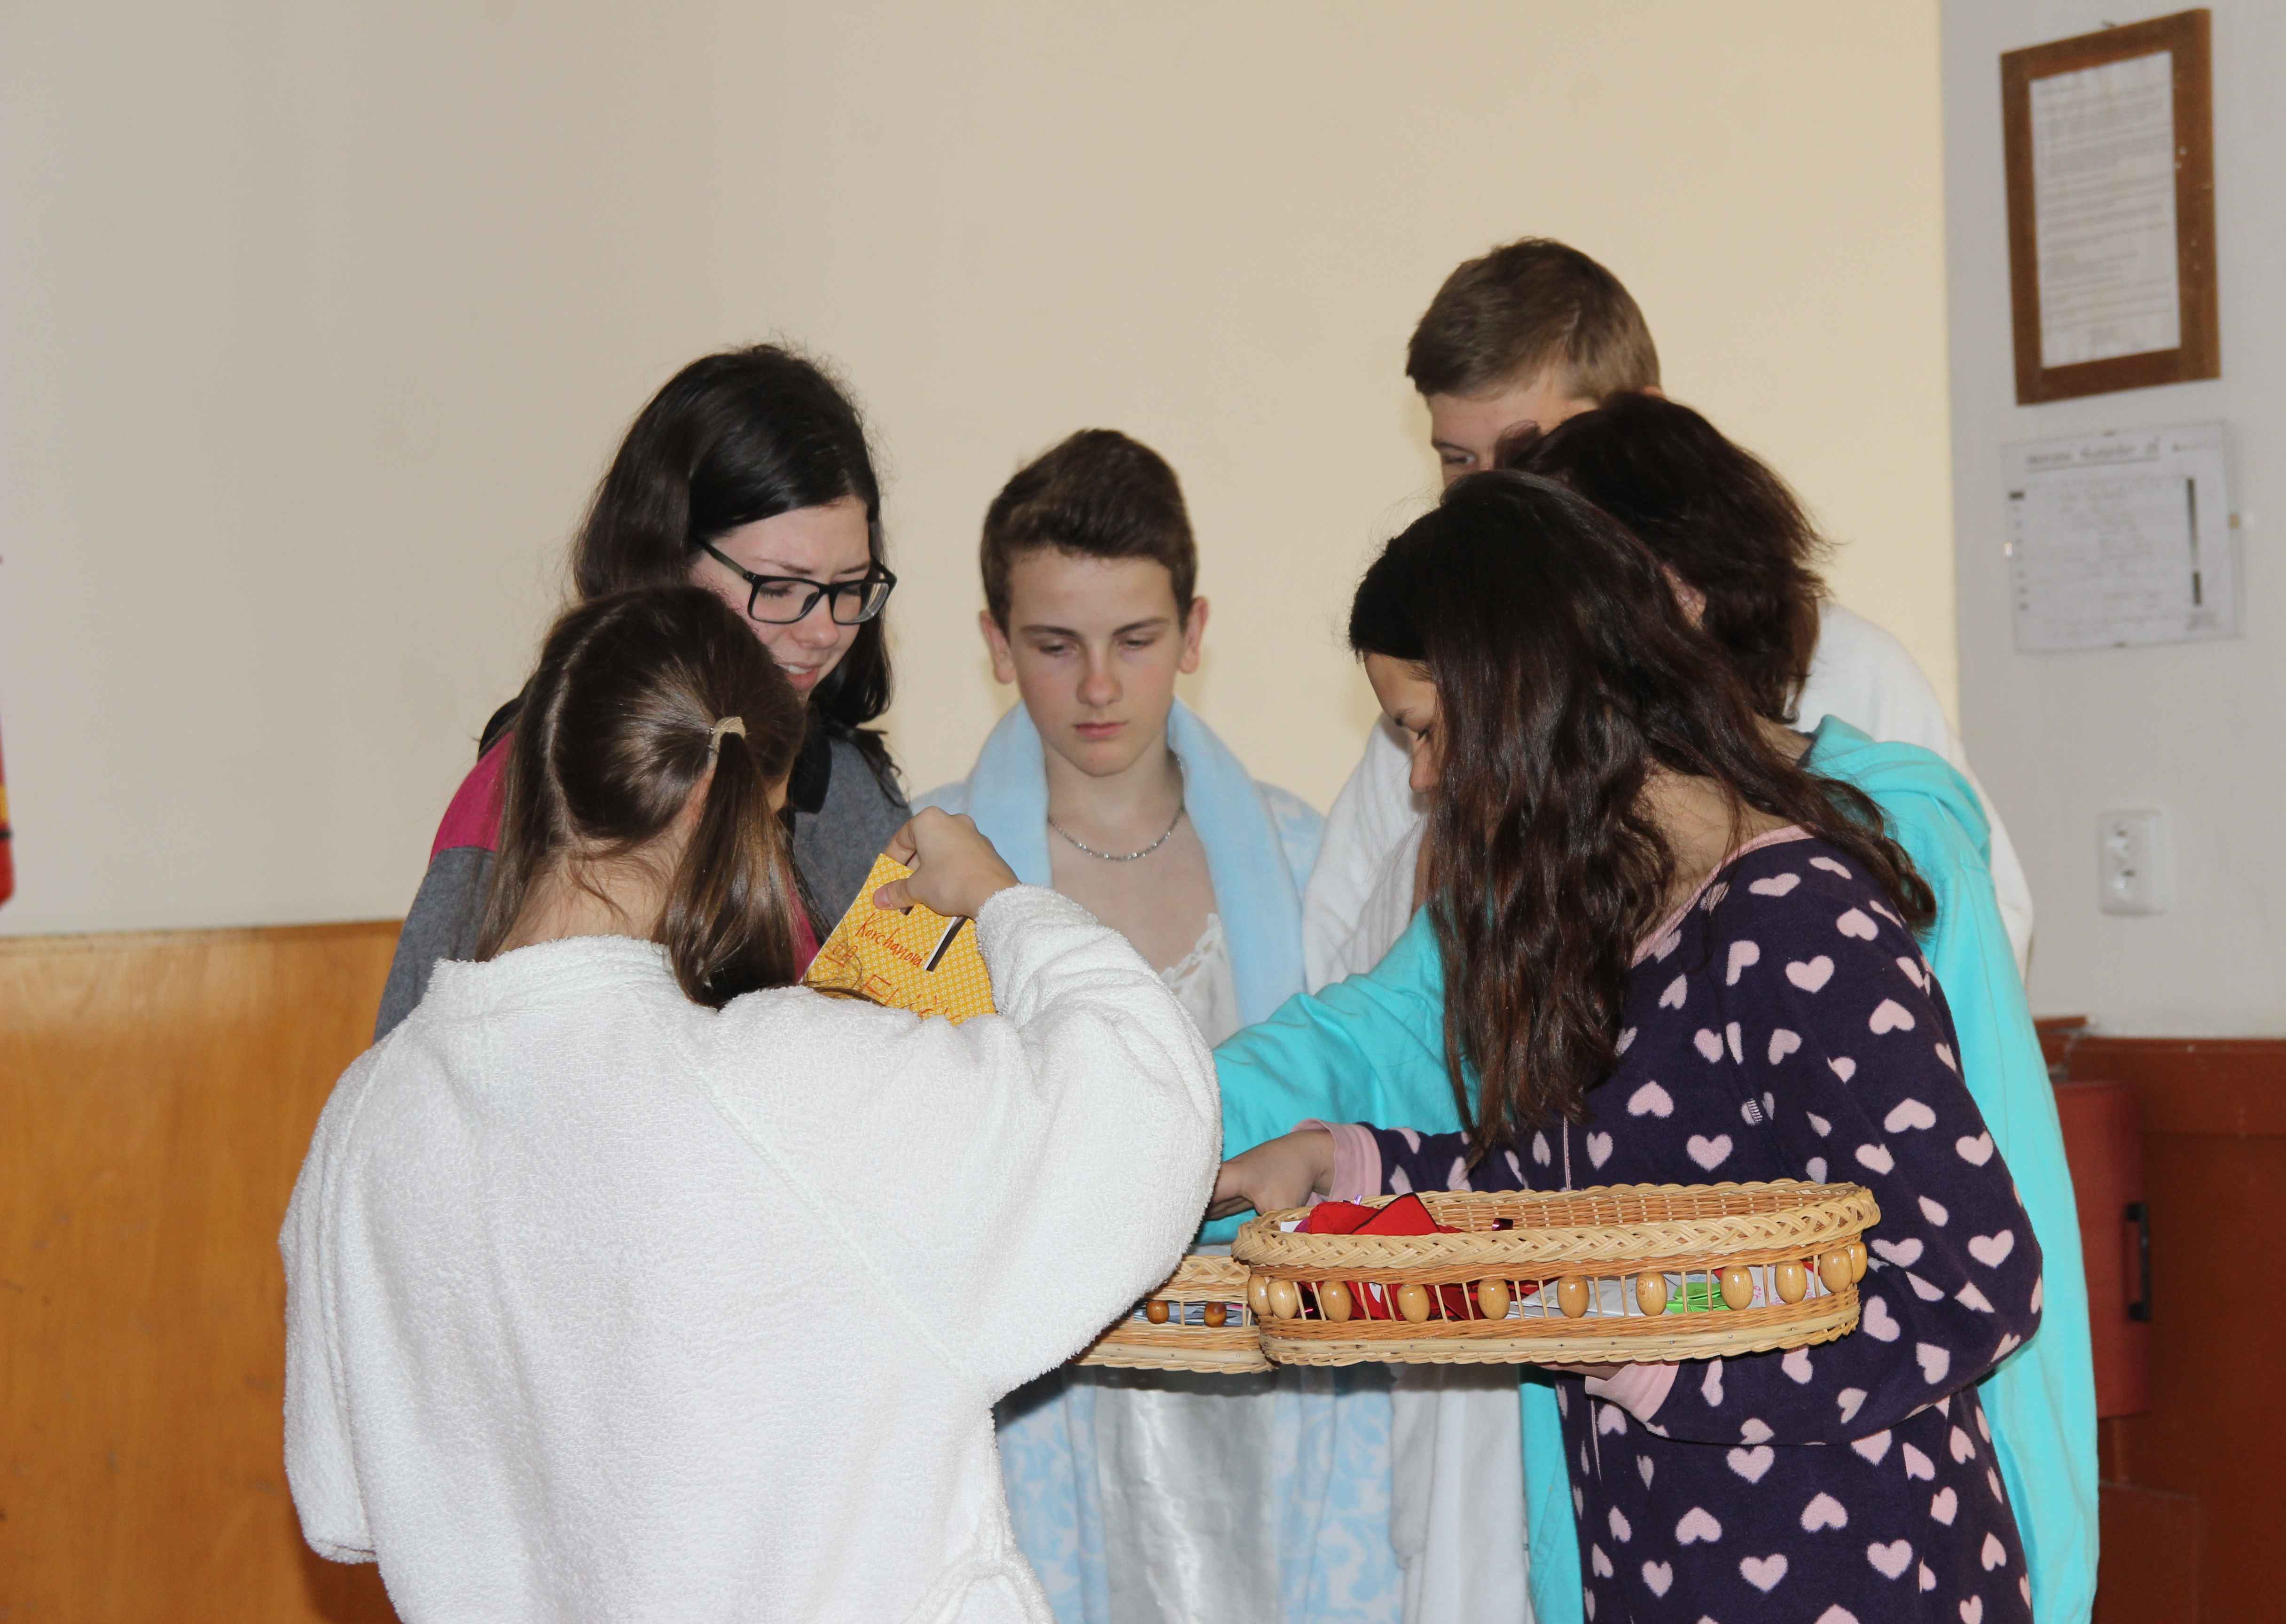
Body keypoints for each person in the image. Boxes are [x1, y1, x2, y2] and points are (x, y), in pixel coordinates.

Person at [1218, 398, 2098, 1624]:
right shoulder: (1618, 923)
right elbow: (1575, 1201)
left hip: (1852, 1579)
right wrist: (1340, 1162)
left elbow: (1972, 1282)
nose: (1421, 780)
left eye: (1428, 733)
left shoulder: (1789, 919)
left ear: (1528, 698)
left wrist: (1659, 1364)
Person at [282, 585, 1220, 1623]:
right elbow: (1148, 1107)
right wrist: (1007, 904)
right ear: (705, 802)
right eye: (769, 824)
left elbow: (341, 1500)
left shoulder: (368, 1118)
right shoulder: (786, 1085)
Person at [916, 430, 1394, 1624]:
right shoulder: (928, 869)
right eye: (1054, 644)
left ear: (1194, 632)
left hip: (1290, 1405)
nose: (1098, 688)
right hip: (1047, 1419)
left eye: (1134, 640)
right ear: (994, 643)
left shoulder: (1300, 853)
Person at [1303, 237, 2032, 992]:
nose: (1494, 500)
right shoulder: (1430, 708)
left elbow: (1976, 943)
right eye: (1460, 460)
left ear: (1638, 427)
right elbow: (1341, 981)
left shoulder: (1848, 672)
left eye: (1531, 452)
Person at [374, 344, 908, 1038]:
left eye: (850, 588)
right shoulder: (545, 784)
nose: (824, 631)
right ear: (666, 558)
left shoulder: (848, 787)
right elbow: (425, 1060)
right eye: (779, 588)